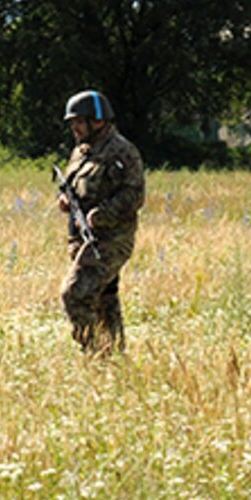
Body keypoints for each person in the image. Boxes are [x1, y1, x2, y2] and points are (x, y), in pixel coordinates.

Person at [56, 90, 146, 355]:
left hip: (110, 240)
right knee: (105, 301)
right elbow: (74, 187)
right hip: (82, 240)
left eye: (79, 122)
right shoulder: (81, 152)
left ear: (97, 121)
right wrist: (63, 199)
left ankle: (97, 356)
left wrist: (103, 214)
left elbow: (134, 195)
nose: (74, 127)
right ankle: (115, 361)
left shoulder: (122, 151)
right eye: (72, 122)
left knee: (74, 294)